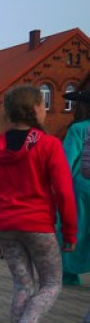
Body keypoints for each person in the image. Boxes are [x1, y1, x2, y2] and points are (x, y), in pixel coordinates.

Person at [0, 85, 76, 323]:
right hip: (38, 226)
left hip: (5, 227)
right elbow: (63, 191)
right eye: (44, 105)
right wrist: (70, 231)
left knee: (23, 286)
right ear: (36, 109)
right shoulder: (49, 145)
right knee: (51, 283)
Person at [59, 87, 90, 287]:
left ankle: (70, 273)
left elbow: (66, 162)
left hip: (81, 187)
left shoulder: (78, 129)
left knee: (75, 229)